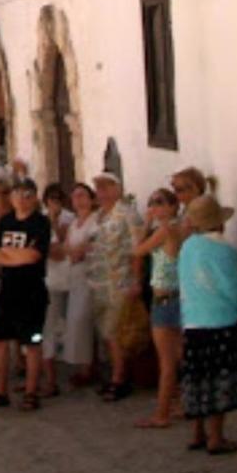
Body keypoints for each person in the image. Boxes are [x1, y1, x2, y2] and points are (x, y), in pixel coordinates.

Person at [179, 194, 237, 454]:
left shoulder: (187, 247)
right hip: (220, 324)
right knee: (218, 381)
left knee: (198, 379)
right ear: (220, 223)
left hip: (192, 323)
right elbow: (234, 294)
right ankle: (216, 438)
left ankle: (197, 433)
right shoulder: (227, 252)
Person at [0, 177, 51, 412]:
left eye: (27, 194)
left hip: (31, 291)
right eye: (18, 193)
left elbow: (34, 256)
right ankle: (0, 391)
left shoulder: (41, 223)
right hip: (5, 290)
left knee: (32, 343)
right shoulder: (5, 221)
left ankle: (31, 392)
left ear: (34, 197)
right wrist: (14, 256)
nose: (22, 198)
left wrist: (8, 255)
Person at [86, 171, 143, 402]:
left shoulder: (127, 214)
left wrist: (136, 279)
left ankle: (120, 378)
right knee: (107, 332)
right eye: (98, 187)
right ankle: (114, 374)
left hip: (120, 281)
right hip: (99, 284)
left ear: (117, 189)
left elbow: (137, 249)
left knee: (117, 331)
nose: (102, 192)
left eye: (106, 187)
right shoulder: (99, 216)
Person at [133, 186, 184, 428]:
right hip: (180, 297)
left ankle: (161, 414)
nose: (155, 206)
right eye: (152, 202)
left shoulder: (164, 231)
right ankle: (181, 403)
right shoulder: (182, 228)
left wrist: (145, 224)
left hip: (164, 300)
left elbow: (138, 250)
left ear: (173, 206)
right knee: (180, 356)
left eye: (160, 202)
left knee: (166, 362)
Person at [61, 181, 97, 387]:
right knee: (76, 320)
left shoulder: (95, 221)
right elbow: (67, 247)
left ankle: (88, 367)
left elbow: (93, 243)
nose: (79, 200)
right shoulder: (74, 224)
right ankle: (84, 365)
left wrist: (79, 252)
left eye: (83, 195)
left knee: (82, 318)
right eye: (75, 196)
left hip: (90, 273)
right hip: (75, 275)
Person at [40, 183, 73, 397]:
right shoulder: (41, 220)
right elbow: (49, 249)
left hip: (71, 277)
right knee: (48, 328)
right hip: (50, 279)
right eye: (51, 198)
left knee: (78, 322)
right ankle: (50, 379)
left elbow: (63, 249)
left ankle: (85, 368)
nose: (54, 202)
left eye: (58, 198)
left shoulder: (71, 218)